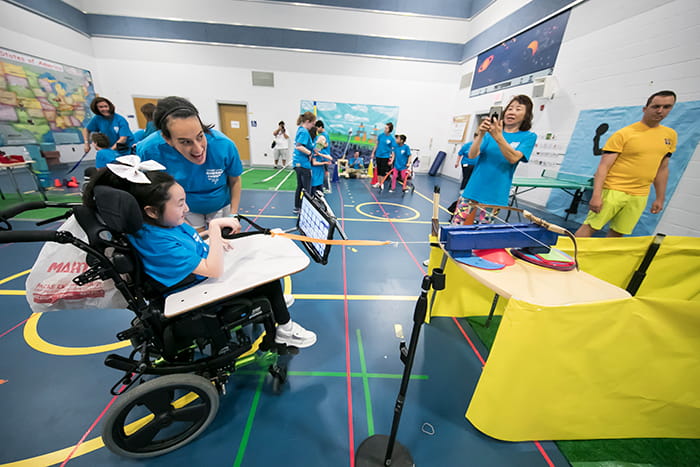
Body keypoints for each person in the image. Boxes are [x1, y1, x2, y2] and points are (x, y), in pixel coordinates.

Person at [83, 160, 316, 348]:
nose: (186, 209)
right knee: (270, 279)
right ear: (152, 211)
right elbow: (213, 270)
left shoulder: (159, 226)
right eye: (180, 203)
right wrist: (214, 228)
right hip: (194, 290)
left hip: (197, 270)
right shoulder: (158, 242)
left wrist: (216, 239)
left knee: (250, 253)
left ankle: (275, 306)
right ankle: (284, 330)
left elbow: (192, 235)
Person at [575, 90, 677, 237]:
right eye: (656, 106)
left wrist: (660, 198)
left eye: (666, 107)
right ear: (645, 108)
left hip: (640, 194)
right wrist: (596, 195)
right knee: (590, 227)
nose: (660, 111)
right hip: (613, 190)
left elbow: (662, 168)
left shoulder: (670, 136)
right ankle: (567, 259)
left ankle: (603, 259)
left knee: (618, 232)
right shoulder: (624, 134)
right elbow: (603, 166)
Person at [136, 96, 243, 233]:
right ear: (167, 139)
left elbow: (235, 180)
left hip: (220, 205)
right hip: (183, 207)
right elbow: (154, 192)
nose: (198, 150)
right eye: (185, 142)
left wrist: (233, 215)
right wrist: (183, 223)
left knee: (225, 244)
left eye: (200, 136)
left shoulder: (224, 145)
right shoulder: (149, 151)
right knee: (196, 247)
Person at [452, 95, 537, 225]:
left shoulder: (528, 137)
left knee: (483, 230)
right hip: (473, 189)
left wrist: (498, 136)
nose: (512, 112)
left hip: (496, 193)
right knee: (456, 223)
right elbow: (472, 155)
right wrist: (480, 134)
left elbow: (513, 158)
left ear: (526, 115)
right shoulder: (489, 134)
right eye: (510, 108)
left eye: (518, 109)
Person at [292, 111, 316, 214]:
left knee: (301, 186)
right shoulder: (304, 132)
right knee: (306, 187)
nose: (313, 126)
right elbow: (299, 146)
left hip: (299, 163)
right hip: (303, 164)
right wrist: (310, 153)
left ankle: (298, 207)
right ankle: (305, 209)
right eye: (312, 123)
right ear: (307, 121)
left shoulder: (301, 130)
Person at [371, 122, 396, 189]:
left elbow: (393, 150)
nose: (385, 129)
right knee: (378, 170)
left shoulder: (391, 139)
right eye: (385, 127)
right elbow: (376, 144)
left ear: (389, 129)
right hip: (378, 155)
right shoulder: (380, 136)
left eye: (386, 128)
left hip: (385, 156)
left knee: (382, 171)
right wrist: (373, 153)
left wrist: (392, 159)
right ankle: (379, 182)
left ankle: (382, 183)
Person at [315, 120, 333, 192]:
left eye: (317, 128)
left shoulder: (323, 135)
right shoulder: (324, 134)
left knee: (325, 172)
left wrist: (317, 148)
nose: (316, 130)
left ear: (321, 127)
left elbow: (325, 145)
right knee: (323, 172)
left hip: (324, 156)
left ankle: (327, 187)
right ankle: (324, 187)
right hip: (322, 156)